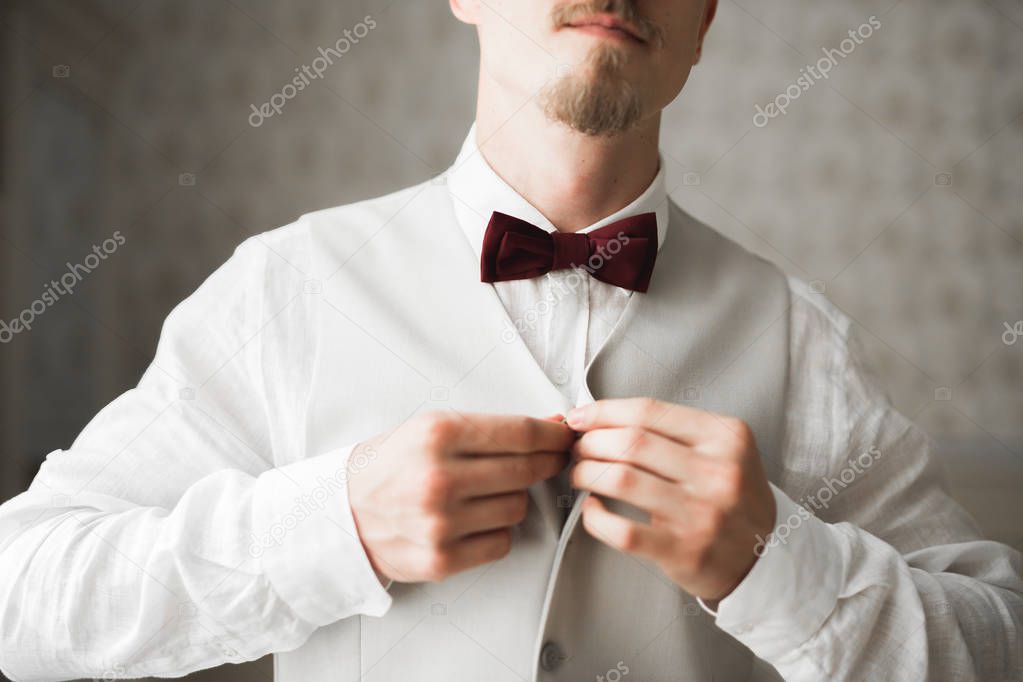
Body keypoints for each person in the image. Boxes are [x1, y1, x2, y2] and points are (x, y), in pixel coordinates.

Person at [1, 1, 1020, 680]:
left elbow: (999, 639)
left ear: (705, 16)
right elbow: (22, 591)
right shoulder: (289, 290)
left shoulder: (801, 339)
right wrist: (328, 528)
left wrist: (775, 559)